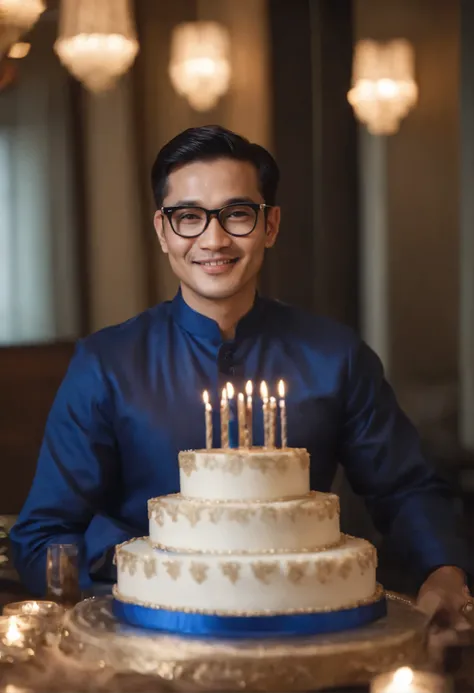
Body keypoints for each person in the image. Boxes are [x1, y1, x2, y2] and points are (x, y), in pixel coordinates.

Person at [11, 125, 472, 634]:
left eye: (237, 214)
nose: (213, 239)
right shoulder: (106, 364)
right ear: (162, 232)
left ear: (270, 225)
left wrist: (444, 572)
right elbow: (44, 536)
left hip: (309, 640)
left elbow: (406, 489)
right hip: (146, 650)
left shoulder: (335, 357)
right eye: (188, 217)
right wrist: (162, 570)